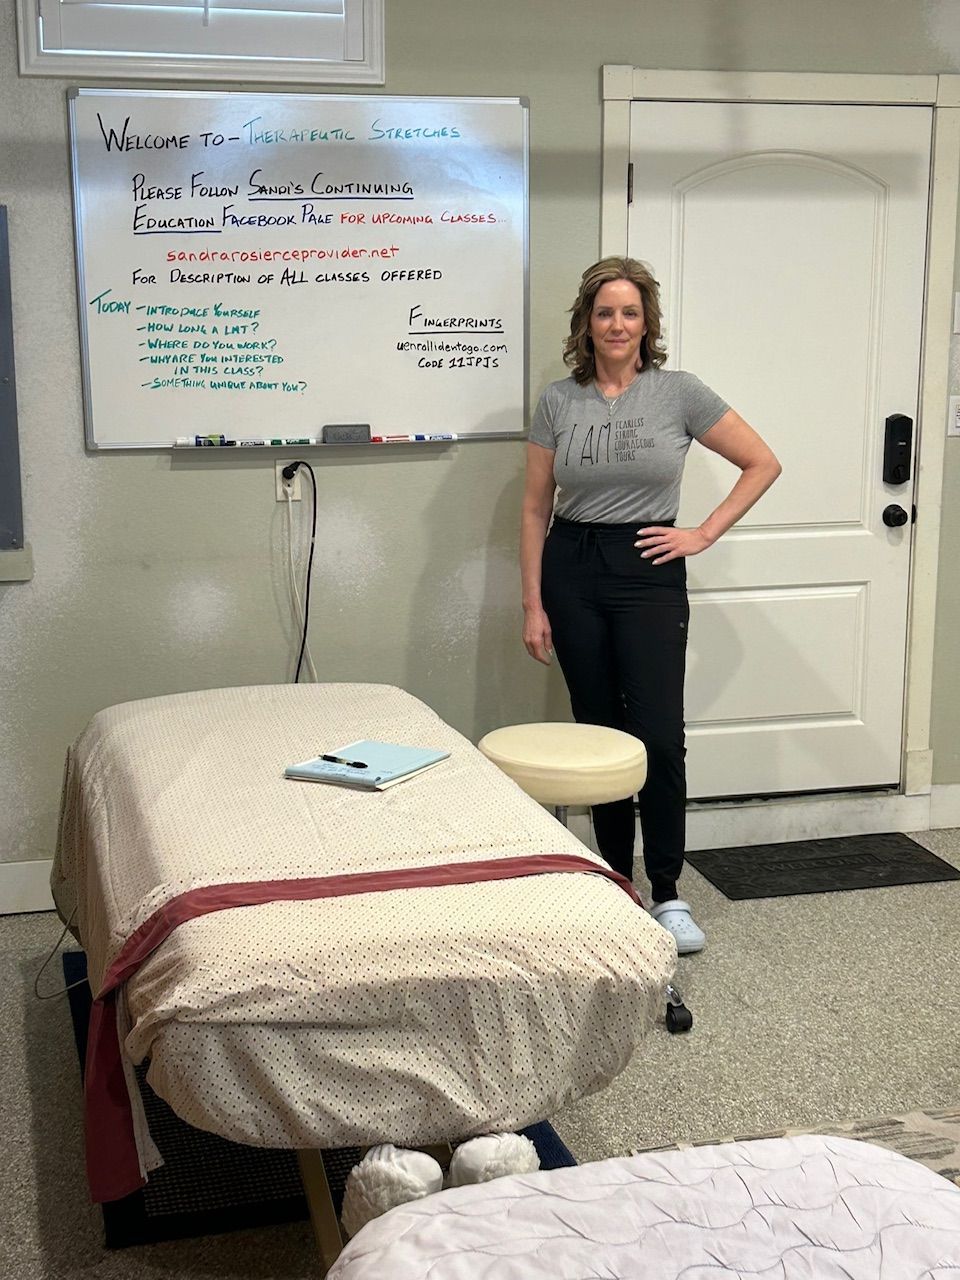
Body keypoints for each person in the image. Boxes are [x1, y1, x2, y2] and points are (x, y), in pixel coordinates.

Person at [520, 256, 781, 954]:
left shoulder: (679, 393)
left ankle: (667, 890)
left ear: (646, 322)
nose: (617, 324)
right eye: (605, 312)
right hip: (572, 569)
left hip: (646, 569)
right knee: (601, 733)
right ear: (587, 321)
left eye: (629, 312)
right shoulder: (557, 401)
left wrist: (703, 532)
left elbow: (762, 462)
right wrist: (532, 604)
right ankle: (617, 881)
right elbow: (535, 505)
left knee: (658, 736)